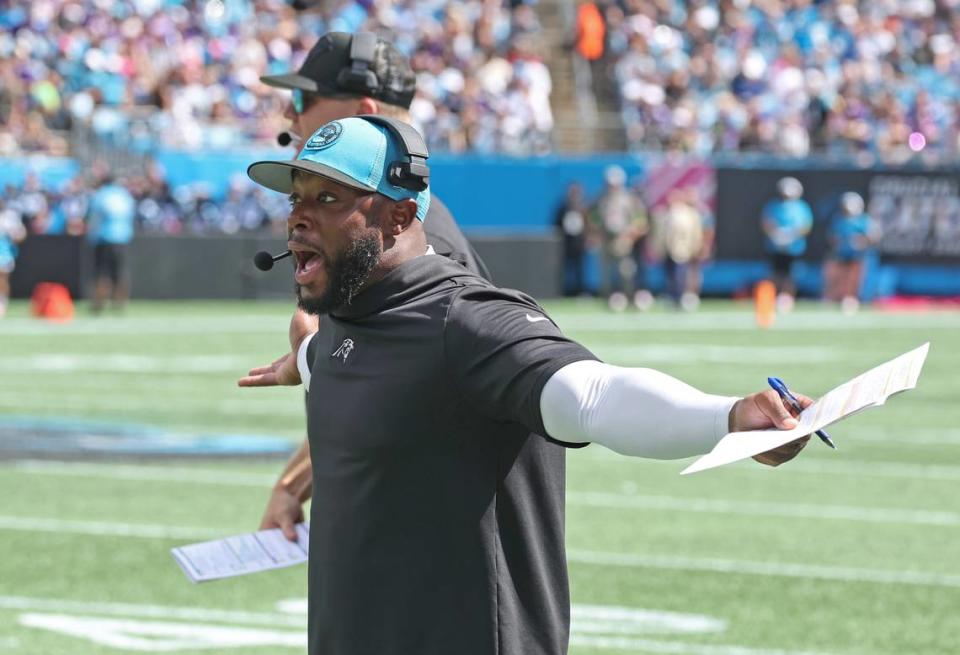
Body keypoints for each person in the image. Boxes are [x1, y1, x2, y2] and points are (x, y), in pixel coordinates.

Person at [239, 116, 812, 655]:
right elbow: (356, 365)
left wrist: (728, 418)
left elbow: (594, 396)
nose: (298, 218)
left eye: (329, 198)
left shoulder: (466, 319)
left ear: (399, 214)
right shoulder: (344, 319)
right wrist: (306, 361)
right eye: (296, 198)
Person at [255, 31, 492, 538]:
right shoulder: (386, 232)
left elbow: (402, 385)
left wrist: (294, 484)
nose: (289, 117)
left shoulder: (418, 248)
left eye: (303, 99)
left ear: (363, 111)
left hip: (425, 539)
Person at [592, 165, 648, 311]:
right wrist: (595, 232)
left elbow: (641, 221)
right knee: (606, 273)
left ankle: (629, 298)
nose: (612, 187)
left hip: (623, 239)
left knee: (626, 271)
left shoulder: (629, 199)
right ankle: (609, 299)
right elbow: (592, 217)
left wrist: (629, 236)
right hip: (606, 239)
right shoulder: (601, 198)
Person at [761, 176, 813, 312]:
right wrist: (776, 235)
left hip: (794, 247)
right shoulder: (773, 205)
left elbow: (805, 226)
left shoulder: (801, 207)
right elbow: (767, 223)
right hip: (775, 246)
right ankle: (773, 296)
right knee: (775, 273)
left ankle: (787, 298)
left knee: (791, 274)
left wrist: (791, 236)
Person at [86, 171, 136, 313]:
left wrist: (91, 237)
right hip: (123, 238)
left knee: (101, 273)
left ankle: (99, 304)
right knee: (121, 272)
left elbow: (95, 218)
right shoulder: (124, 195)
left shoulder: (101, 195)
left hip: (104, 238)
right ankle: (120, 304)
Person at [823, 192, 880, 313]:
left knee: (854, 277)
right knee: (837, 276)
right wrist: (839, 243)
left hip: (857, 255)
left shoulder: (864, 220)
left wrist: (861, 241)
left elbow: (874, 236)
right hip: (841, 254)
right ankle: (835, 297)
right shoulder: (839, 220)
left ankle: (851, 298)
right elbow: (832, 237)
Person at [654, 187, 708, 311]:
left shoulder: (688, 214)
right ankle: (672, 298)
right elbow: (661, 234)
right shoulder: (665, 214)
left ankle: (680, 298)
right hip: (668, 250)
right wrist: (659, 248)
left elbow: (694, 233)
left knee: (680, 276)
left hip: (681, 250)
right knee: (670, 275)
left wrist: (695, 247)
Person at [554, 182, 588, 296]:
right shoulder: (563, 206)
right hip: (566, 243)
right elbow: (557, 224)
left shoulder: (583, 205)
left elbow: (588, 224)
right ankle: (563, 292)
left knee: (580, 269)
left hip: (579, 244)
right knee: (564, 269)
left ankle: (580, 291)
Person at [0, 199, 26, 318]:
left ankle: (2, 303)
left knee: (3, 279)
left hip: (4, 252)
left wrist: (14, 235)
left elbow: (21, 235)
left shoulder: (10, 217)